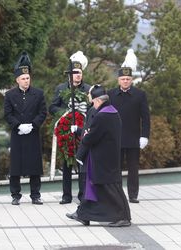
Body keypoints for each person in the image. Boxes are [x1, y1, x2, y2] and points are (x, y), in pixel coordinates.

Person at [66, 85, 131, 227]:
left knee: (110, 188)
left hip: (103, 159)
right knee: (95, 187)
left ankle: (123, 217)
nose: (93, 105)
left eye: (93, 102)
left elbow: (90, 137)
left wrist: (85, 134)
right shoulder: (113, 112)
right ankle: (84, 214)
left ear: (98, 101)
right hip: (107, 157)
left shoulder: (102, 116)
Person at [4, 51, 47, 206]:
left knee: (34, 165)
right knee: (16, 166)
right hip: (18, 133)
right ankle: (15, 195)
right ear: (17, 80)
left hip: (33, 133)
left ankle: (35, 195)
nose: (26, 81)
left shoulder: (38, 93)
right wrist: (18, 125)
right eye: (23, 78)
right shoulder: (9, 95)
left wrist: (33, 125)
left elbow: (43, 112)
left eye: (28, 78)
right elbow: (7, 114)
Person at [49, 51, 90, 204]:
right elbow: (52, 107)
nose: (77, 76)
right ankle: (66, 196)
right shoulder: (61, 88)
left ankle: (82, 195)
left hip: (82, 131)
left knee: (81, 164)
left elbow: (93, 109)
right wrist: (65, 113)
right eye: (74, 73)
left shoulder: (88, 89)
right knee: (66, 164)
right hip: (66, 130)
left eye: (79, 73)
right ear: (70, 74)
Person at [108, 66, 150, 203]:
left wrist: (145, 136)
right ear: (118, 80)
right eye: (123, 79)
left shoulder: (140, 94)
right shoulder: (111, 94)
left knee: (133, 168)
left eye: (128, 79)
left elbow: (146, 117)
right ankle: (117, 193)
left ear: (131, 80)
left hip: (133, 138)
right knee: (116, 168)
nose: (125, 81)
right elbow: (106, 116)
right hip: (116, 138)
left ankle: (133, 195)